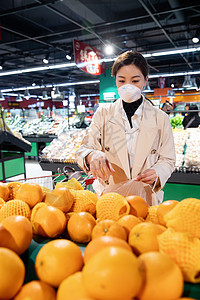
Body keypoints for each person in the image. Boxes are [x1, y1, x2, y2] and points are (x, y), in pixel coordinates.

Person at [75, 51, 176, 205]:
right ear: (115, 80)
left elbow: (168, 159)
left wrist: (158, 173)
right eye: (122, 81)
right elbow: (84, 148)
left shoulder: (160, 118)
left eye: (135, 81)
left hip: (145, 198)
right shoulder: (104, 113)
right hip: (109, 197)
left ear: (145, 80)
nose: (128, 87)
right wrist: (91, 155)